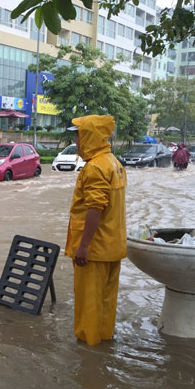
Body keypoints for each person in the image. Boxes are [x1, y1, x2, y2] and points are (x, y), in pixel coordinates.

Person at [64, 115, 127, 346]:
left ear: (89, 136)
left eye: (78, 135)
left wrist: (83, 246)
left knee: (88, 304)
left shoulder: (95, 168)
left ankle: (88, 355)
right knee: (106, 302)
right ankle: (103, 342)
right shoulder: (114, 163)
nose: (76, 141)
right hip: (112, 247)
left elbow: (95, 208)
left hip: (94, 251)